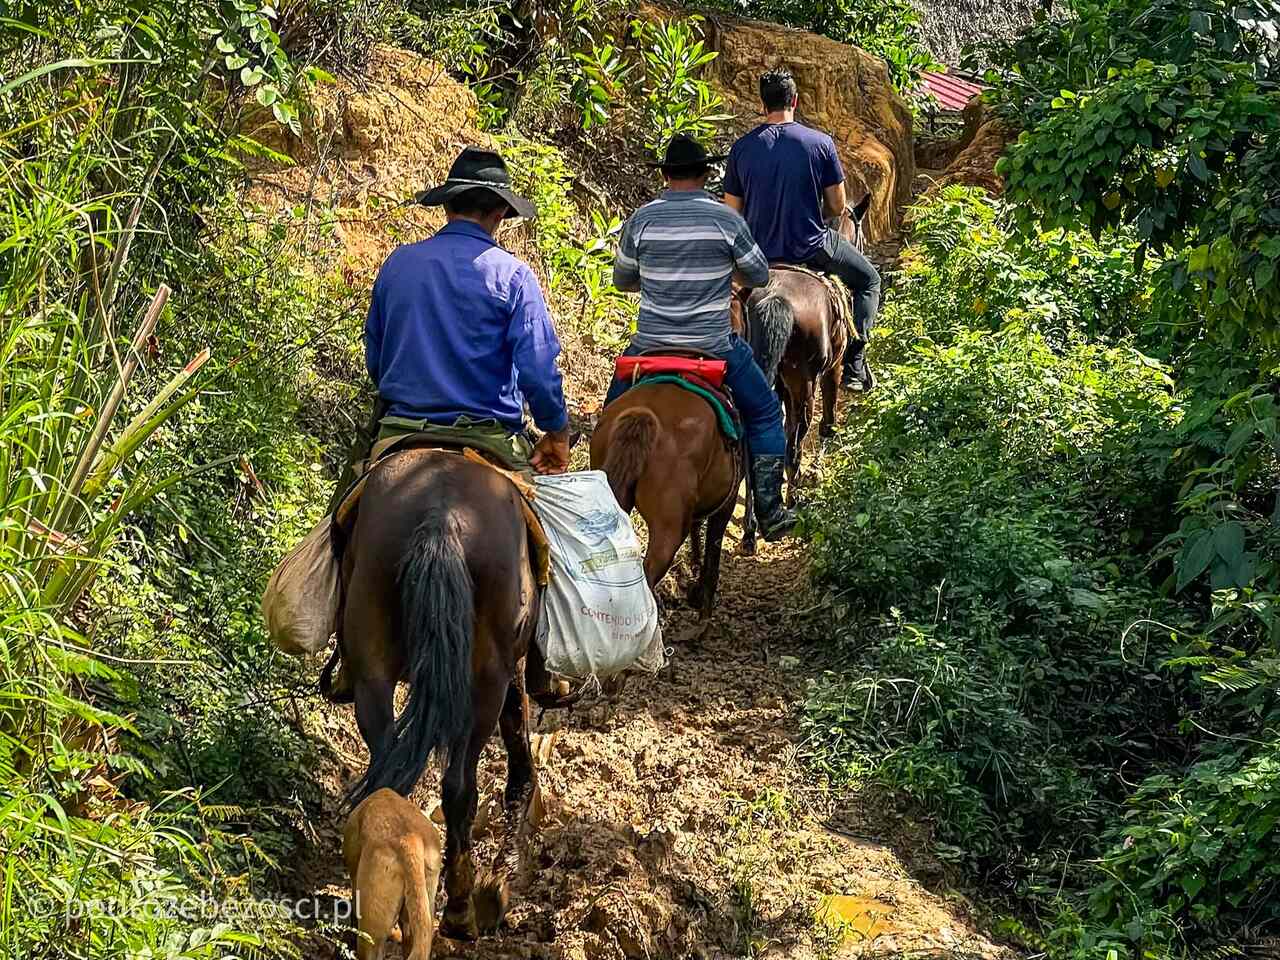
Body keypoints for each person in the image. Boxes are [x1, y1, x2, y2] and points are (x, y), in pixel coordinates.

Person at [329, 146, 570, 512]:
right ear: (501, 211)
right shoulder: (514, 277)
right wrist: (556, 431)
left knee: (332, 539)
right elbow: (537, 370)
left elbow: (376, 358)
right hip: (490, 437)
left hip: (399, 432)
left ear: (447, 205)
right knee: (555, 544)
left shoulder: (399, 263)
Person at [606, 134, 797, 541]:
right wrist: (728, 272)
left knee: (609, 417)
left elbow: (622, 280)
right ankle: (768, 510)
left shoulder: (641, 219)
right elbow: (760, 275)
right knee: (765, 414)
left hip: (648, 349)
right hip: (713, 348)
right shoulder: (726, 220)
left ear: (664, 175)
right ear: (707, 174)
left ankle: (592, 502)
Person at [723, 67, 882, 391]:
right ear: (794, 100)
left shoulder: (741, 148)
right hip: (813, 246)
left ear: (763, 103)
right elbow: (838, 207)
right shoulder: (820, 144)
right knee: (870, 280)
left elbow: (732, 212)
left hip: (759, 256)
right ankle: (854, 363)